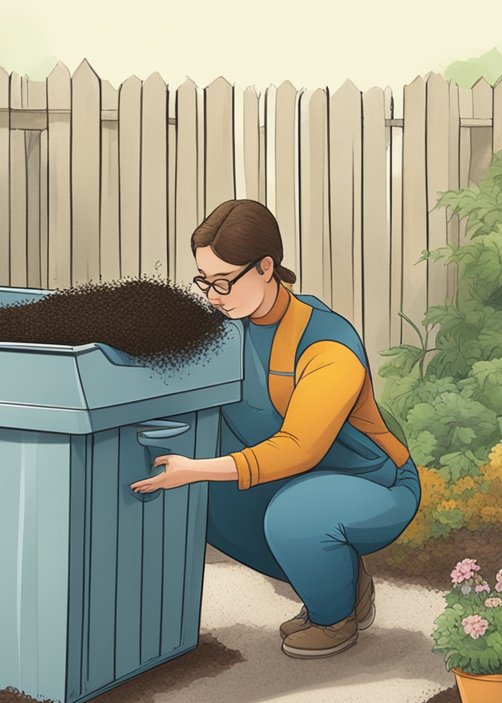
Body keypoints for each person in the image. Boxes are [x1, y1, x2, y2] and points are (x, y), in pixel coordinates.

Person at [130, 199, 421, 659]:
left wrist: (198, 467)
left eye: (223, 281)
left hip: (374, 482)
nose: (213, 295)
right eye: (204, 281)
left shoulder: (327, 344)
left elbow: (299, 448)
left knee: (295, 516)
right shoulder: (225, 328)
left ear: (266, 268)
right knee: (199, 497)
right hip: (295, 480)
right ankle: (343, 578)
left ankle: (334, 617)